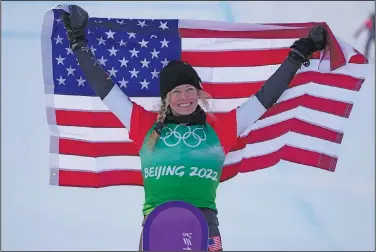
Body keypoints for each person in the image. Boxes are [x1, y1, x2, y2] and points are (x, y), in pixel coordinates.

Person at [61, 5, 326, 251]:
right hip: (157, 225)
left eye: (190, 89)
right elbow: (105, 89)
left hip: (204, 225)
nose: (184, 96)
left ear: (199, 94)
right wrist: (78, 43)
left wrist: (298, 54)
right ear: (166, 98)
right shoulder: (144, 126)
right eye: (176, 91)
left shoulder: (221, 129)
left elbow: (265, 97)